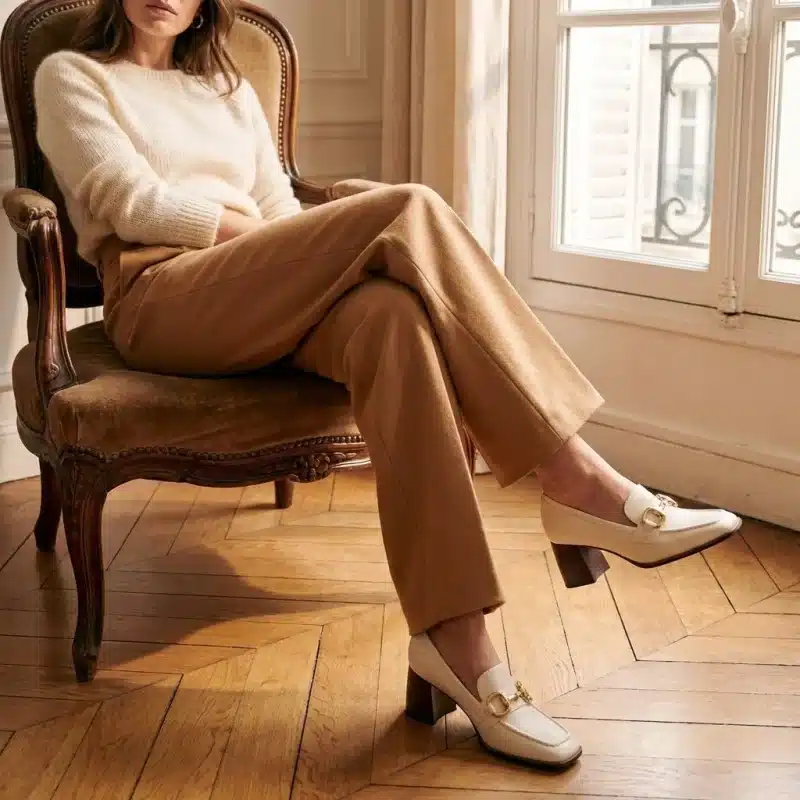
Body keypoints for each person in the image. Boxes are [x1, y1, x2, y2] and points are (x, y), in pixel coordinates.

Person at [33, 0, 741, 772]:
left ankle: (458, 646)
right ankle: (575, 478)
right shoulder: (72, 75)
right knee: (409, 208)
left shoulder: (228, 90)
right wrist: (278, 238)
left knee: (393, 318)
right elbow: (130, 204)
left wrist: (284, 238)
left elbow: (277, 209)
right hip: (160, 298)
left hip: (256, 285)